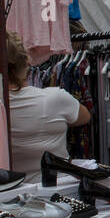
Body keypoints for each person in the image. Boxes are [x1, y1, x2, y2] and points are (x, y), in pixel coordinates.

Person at [6, 31, 91, 175]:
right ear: (27, 61)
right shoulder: (56, 99)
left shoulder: (3, 107)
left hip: (13, 193)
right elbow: (85, 117)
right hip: (60, 188)